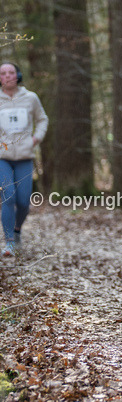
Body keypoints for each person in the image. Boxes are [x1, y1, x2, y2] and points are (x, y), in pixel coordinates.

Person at [0, 62, 49, 257]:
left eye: (11, 72)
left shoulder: (30, 98)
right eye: (3, 73)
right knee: (8, 196)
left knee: (23, 202)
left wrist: (36, 138)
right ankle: (9, 241)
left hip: (24, 156)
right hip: (2, 157)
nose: (8, 76)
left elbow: (42, 119)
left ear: (18, 75)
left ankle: (17, 229)